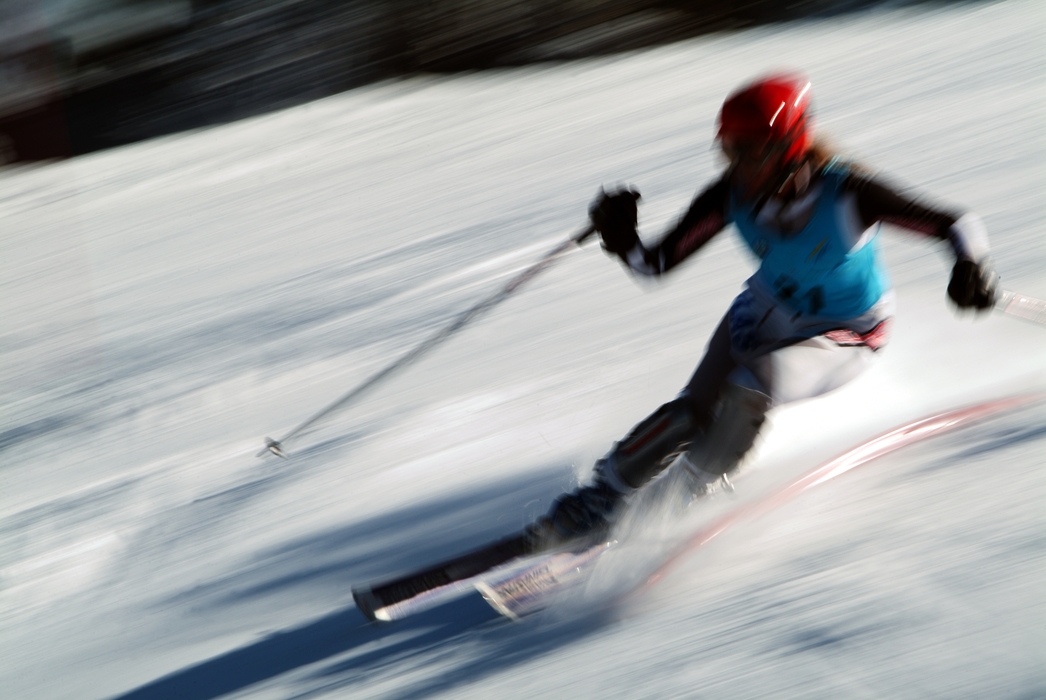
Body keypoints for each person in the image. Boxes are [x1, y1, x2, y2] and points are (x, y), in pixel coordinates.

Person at [524, 73, 999, 549]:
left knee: (746, 391)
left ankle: (687, 493)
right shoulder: (729, 196)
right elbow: (655, 265)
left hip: (846, 332)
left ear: (790, 144)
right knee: (692, 412)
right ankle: (600, 497)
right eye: (730, 150)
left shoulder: (847, 193)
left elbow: (955, 223)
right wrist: (622, 235)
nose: (739, 165)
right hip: (763, 310)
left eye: (752, 150)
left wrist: (969, 265)